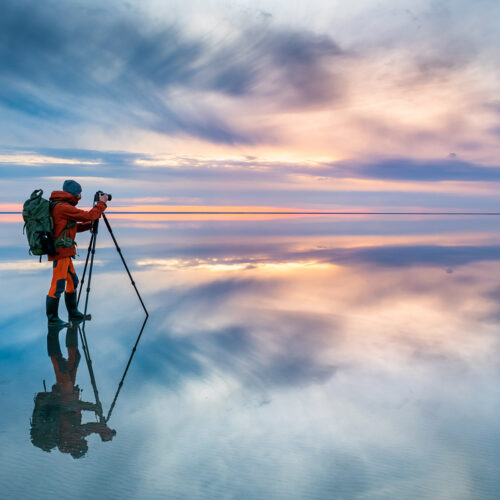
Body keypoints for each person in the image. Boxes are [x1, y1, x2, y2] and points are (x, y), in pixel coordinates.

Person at [46, 180, 109, 327]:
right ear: (74, 194)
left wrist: (89, 225)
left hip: (65, 252)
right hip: (61, 252)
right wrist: (102, 203)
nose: (80, 196)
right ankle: (52, 319)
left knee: (72, 281)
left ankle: (73, 314)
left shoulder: (61, 205)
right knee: (58, 284)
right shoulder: (62, 207)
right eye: (79, 193)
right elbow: (88, 215)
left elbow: (72, 227)